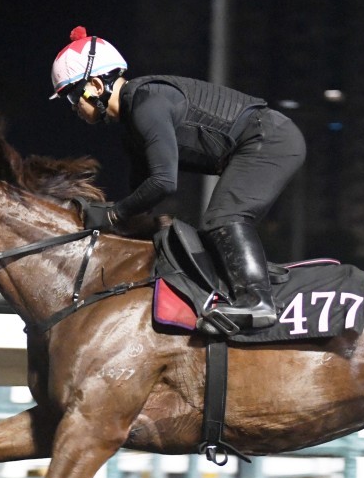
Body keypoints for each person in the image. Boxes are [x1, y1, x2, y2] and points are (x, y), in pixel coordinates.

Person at [49, 26, 306, 332]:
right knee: (211, 227)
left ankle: (258, 303)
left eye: (72, 97)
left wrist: (113, 214)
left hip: (272, 138)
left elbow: (163, 182)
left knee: (222, 218)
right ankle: (253, 277)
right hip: (263, 140)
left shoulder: (146, 104)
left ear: (94, 85)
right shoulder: (133, 125)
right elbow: (141, 200)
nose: (74, 109)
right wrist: (110, 221)